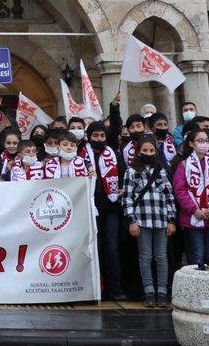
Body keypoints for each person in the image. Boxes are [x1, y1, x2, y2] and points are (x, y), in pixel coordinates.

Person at [123, 135, 176, 307]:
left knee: (161, 256)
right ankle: (148, 291)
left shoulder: (161, 171)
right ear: (138, 152)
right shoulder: (131, 172)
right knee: (145, 256)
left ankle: (162, 291)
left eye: (151, 150)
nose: (148, 153)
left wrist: (171, 220)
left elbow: (169, 196)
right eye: (144, 150)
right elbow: (127, 198)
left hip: (161, 220)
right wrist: (131, 220)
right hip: (142, 219)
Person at [173, 127, 209, 265]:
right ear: (192, 143)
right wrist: (194, 209)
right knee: (197, 254)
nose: (204, 144)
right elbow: (180, 190)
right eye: (200, 141)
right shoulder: (184, 165)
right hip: (193, 216)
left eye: (206, 141)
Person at [86, 121, 125, 300]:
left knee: (112, 247)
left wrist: (122, 189)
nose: (99, 139)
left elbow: (123, 175)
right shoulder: (82, 155)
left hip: (111, 207)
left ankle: (115, 287)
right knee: (95, 248)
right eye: (96, 136)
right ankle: (97, 287)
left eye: (102, 136)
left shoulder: (114, 154)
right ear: (89, 136)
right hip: (89, 207)